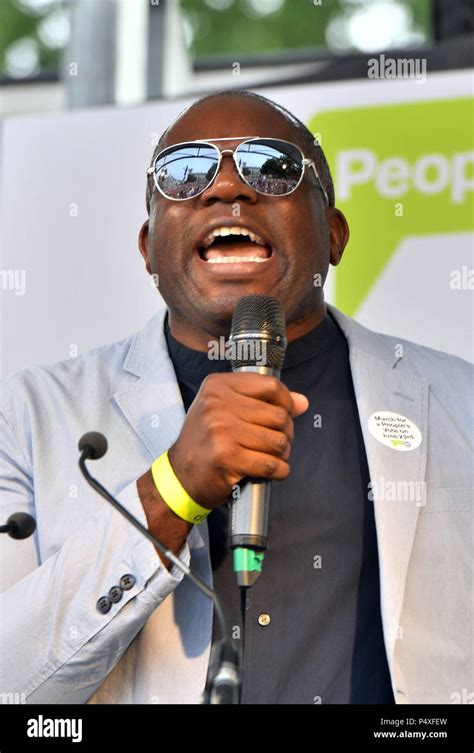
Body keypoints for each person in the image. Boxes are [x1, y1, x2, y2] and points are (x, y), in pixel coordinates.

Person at [0, 90, 472, 705]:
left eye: (271, 167)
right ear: (147, 247)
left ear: (334, 235)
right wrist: (172, 490)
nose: (228, 190)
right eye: (185, 172)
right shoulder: (30, 414)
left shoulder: (459, 401)